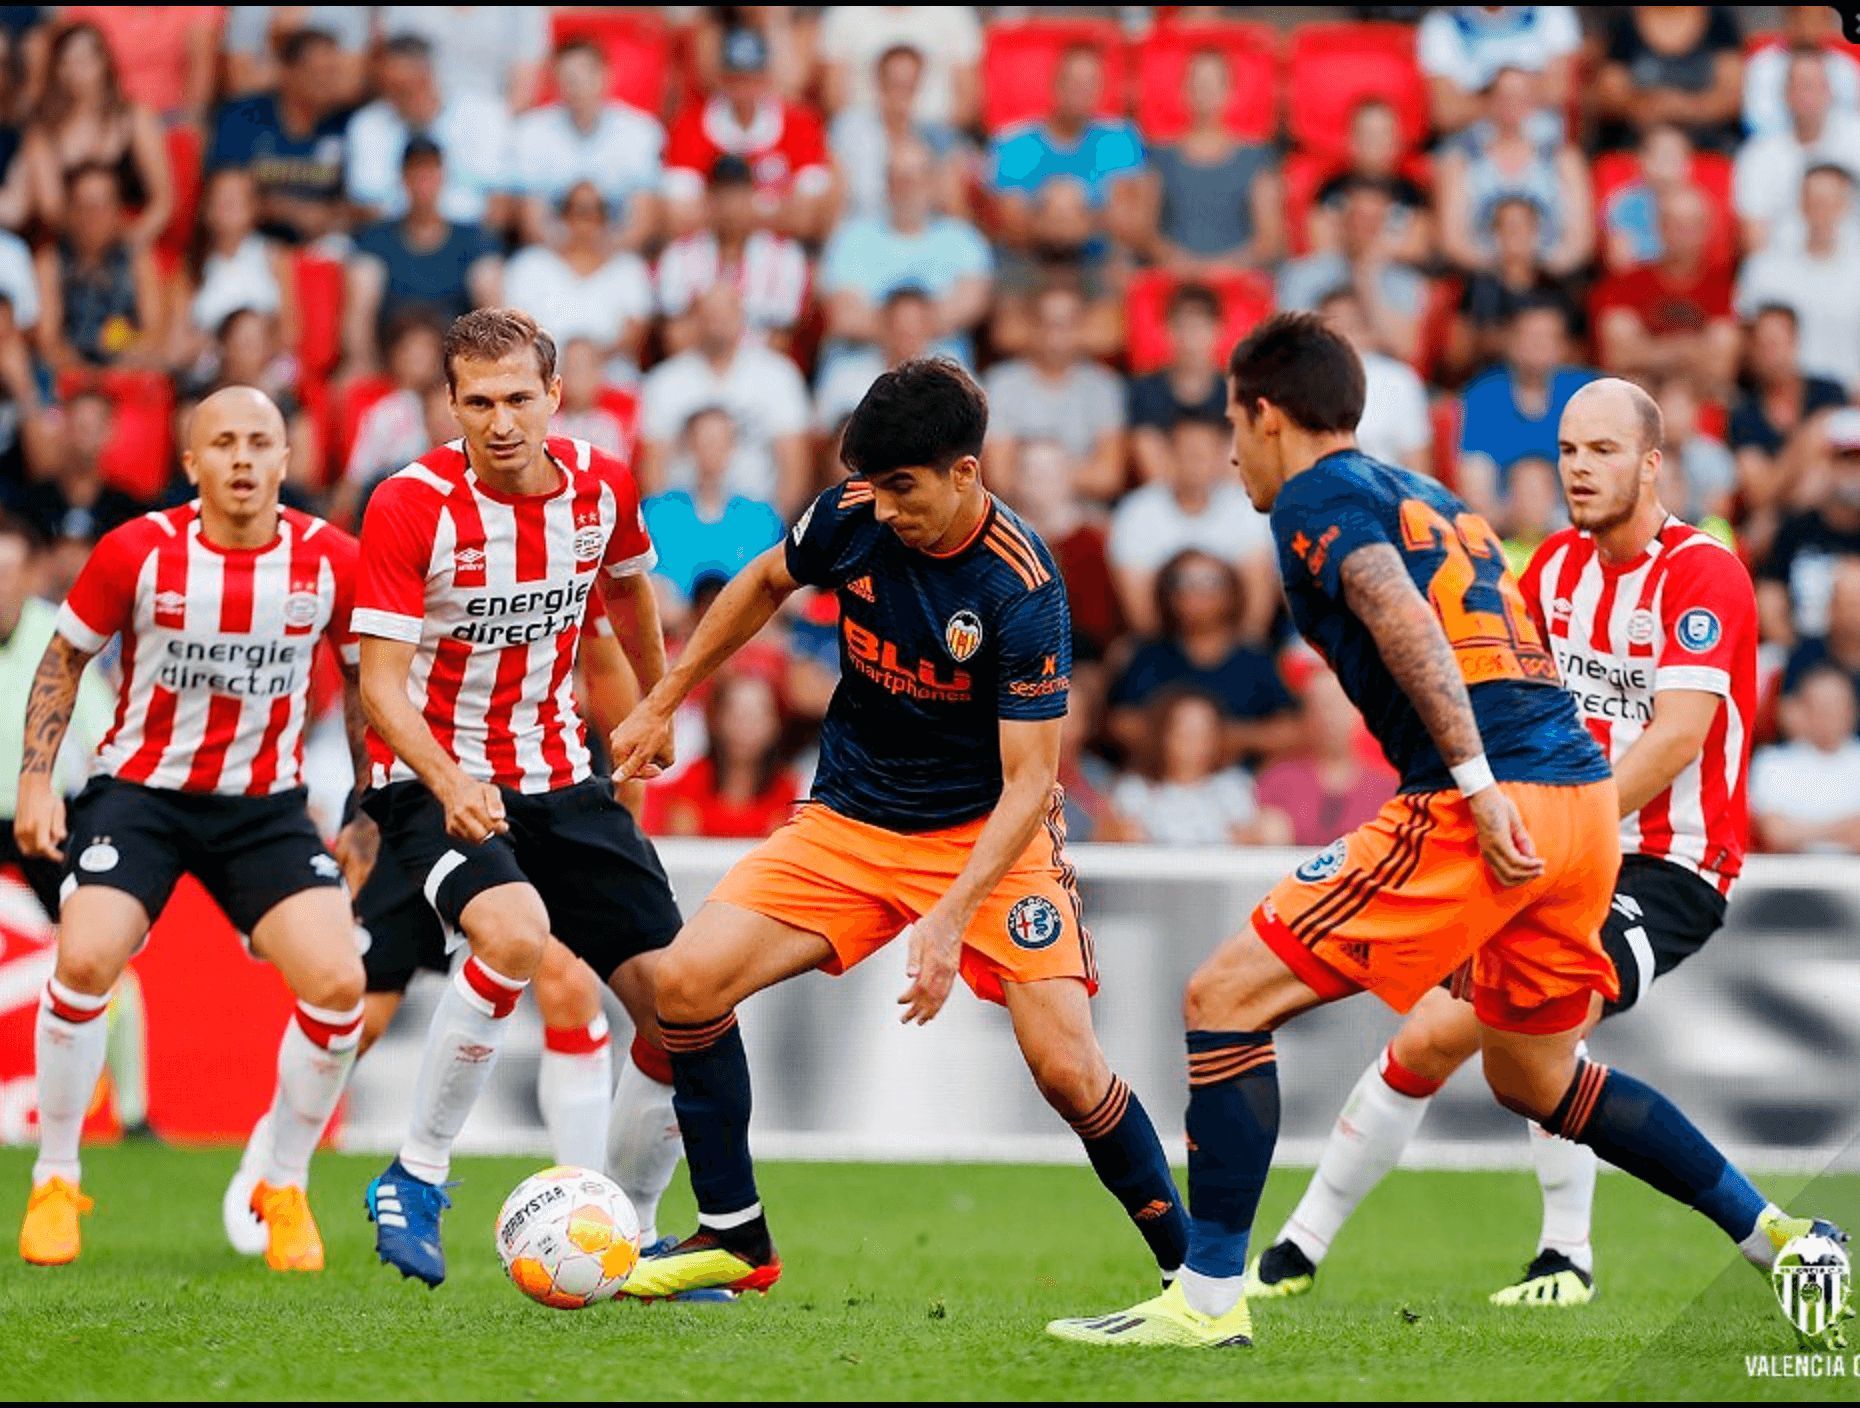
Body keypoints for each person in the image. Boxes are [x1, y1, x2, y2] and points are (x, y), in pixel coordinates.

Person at [1048, 316, 1843, 1349]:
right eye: (1568, 449)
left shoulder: (1317, 498)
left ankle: (1208, 1296)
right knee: (1532, 1075)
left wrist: (1474, 784)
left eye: (1232, 423)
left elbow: (1405, 619)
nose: (1231, 449)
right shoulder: (1429, 496)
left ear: (1266, 414)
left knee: (1225, 997)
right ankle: (1772, 1238)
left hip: (1553, 821)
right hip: (1574, 814)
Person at [609, 359, 1191, 1302]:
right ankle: (734, 1235)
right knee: (684, 984)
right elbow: (764, 582)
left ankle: (1194, 1277)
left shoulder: (1022, 587)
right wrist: (665, 696)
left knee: (1068, 1068)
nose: (881, 510)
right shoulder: (853, 511)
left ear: (966, 472)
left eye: (903, 488)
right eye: (872, 486)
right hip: (849, 821)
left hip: (985, 839)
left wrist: (951, 915)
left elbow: (1031, 782)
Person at [1247, 373, 1766, 1310]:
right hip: (1553, 842)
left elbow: (1679, 736)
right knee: (1434, 1036)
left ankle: (1573, 1254)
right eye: (1568, 449)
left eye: (1603, 451)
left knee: (1530, 1026)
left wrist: (1558, 828)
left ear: (1653, 465)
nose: (1578, 468)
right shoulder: (1548, 570)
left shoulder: (1704, 572)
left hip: (1667, 860)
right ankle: (1298, 1248)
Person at [350, 308, 689, 1289]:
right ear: (450, 404)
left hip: (558, 770)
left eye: (518, 398)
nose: (501, 422)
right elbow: (379, 686)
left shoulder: (602, 488)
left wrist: (658, 703)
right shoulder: (409, 504)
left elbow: (628, 596)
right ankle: (413, 1175)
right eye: (479, 402)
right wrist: (452, 782)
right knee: (514, 933)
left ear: (555, 395)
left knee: (681, 1008)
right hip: (429, 775)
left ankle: (631, 1232)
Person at [15, 386, 370, 1273]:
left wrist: (366, 812)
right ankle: (56, 1177)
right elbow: (63, 657)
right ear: (192, 465)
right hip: (142, 795)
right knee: (87, 956)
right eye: (224, 443)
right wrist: (34, 781)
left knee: (338, 983)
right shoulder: (138, 551)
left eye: (261, 442)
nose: (243, 459)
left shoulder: (332, 561)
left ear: (287, 461)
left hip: (265, 808)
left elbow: (370, 686)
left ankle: (281, 1183)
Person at [223, 596, 649, 1257]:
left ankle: (588, 1208)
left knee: (567, 980)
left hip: (536, 784)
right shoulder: (431, 528)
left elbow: (602, 656)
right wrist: (365, 814)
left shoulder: (567, 530)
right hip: (420, 788)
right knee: (360, 1015)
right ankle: (275, 1160)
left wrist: (624, 801)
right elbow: (373, 677)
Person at [0, 515, 112, 921]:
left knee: (77, 921)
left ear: (32, 576)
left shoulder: (60, 634)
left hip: (44, 814)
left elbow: (102, 729)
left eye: (7, 573)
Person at [1105, 549, 1297, 767]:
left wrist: (1234, 738)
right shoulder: (1148, 656)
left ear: (1232, 592)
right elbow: (1120, 723)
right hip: (1158, 784)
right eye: (1181, 582)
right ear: (1166, 593)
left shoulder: (1256, 659)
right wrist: (1181, 741)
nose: (1195, 592)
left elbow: (1291, 728)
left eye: (1210, 581)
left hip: (1241, 783)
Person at [638, 283, 811, 518]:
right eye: (709, 314)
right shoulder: (665, 380)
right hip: (680, 522)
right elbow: (653, 467)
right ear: (694, 320)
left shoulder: (778, 374)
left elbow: (794, 467)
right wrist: (665, 527)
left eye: (726, 313)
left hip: (758, 520)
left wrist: (775, 533)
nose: (718, 322)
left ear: (742, 318)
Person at [819, 136, 992, 367]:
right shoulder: (851, 238)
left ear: (931, 183)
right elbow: (844, 316)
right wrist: (917, 327)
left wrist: (890, 326)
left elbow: (971, 305)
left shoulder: (963, 239)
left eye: (914, 179)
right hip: (862, 362)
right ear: (886, 184)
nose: (906, 189)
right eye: (898, 179)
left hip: (942, 364)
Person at [1107, 414, 1277, 640]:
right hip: (1163, 648)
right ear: (1168, 457)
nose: (1195, 464)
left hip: (1234, 647)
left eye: (1204, 455)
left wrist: (1236, 658)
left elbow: (1257, 608)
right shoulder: (1137, 512)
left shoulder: (1247, 508)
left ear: (1222, 459)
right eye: (1186, 454)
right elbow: (1141, 614)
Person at [342, 138, 502, 377]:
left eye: (431, 173)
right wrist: (365, 364)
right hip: (391, 361)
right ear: (403, 179)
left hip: (455, 363)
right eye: (417, 174)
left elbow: (493, 310)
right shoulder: (375, 241)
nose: (424, 183)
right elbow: (358, 315)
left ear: (443, 178)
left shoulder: (473, 240)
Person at [663, 27, 834, 244]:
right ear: (721, 80)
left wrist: (725, 208)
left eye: (752, 79)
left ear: (766, 79)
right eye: (735, 79)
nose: (744, 90)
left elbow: (806, 218)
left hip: (780, 251)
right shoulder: (689, 125)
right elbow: (680, 217)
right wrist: (771, 208)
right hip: (708, 249)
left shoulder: (800, 124)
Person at [21, 21, 171, 246]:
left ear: (103, 62)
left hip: (135, 240)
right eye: (66, 61)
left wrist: (130, 243)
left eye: (84, 59)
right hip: (69, 248)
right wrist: (93, 239)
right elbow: (51, 210)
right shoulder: (43, 131)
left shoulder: (136, 118)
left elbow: (163, 201)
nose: (76, 70)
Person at [1435, 67, 1592, 279]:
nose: (1512, 104)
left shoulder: (1563, 159)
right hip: (1482, 279)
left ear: (1533, 102)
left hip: (1548, 280)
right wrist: (1506, 271)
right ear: (1489, 101)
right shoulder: (1461, 161)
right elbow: (1453, 241)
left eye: (1521, 96)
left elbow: (1579, 240)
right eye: (1504, 96)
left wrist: (1535, 272)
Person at [510, 39, 665, 253]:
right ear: (556, 83)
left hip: (617, 254)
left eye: (587, 77)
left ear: (607, 76)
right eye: (569, 79)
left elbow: (643, 222)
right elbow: (532, 223)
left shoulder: (641, 131)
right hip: (552, 255)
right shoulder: (532, 132)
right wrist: (574, 258)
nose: (578, 87)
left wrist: (600, 257)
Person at [343, 34, 511, 228]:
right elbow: (367, 203)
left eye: (403, 87)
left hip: (470, 237)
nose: (394, 98)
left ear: (428, 77)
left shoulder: (483, 114)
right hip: (394, 239)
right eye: (387, 88)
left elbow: (498, 203)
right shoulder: (368, 124)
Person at [982, 283, 1127, 505]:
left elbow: (1109, 477)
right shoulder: (1001, 383)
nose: (1055, 335)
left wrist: (1040, 473)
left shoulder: (1104, 386)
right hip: (1020, 514)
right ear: (1032, 326)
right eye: (1047, 323)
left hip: (1084, 515)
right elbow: (1000, 477)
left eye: (1066, 324)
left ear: (1081, 328)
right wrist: (1072, 473)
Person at [205, 25, 352, 246]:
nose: (328, 83)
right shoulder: (245, 117)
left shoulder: (346, 124)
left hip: (326, 245)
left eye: (333, 72)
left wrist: (331, 217)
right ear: (288, 72)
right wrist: (291, 211)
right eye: (318, 73)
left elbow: (364, 202)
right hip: (250, 243)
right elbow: (225, 191)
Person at [1592, 185, 1740, 398]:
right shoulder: (1626, 283)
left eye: (1693, 226)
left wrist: (1650, 351)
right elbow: (1618, 356)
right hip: (1641, 393)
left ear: (1708, 230)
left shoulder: (1723, 287)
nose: (1685, 235)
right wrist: (1687, 351)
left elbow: (1722, 365)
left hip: (1699, 399)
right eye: (1676, 225)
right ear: (1660, 228)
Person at [1457, 297, 1595, 523]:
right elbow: (1476, 487)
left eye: (1547, 338)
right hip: (1506, 517)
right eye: (1529, 336)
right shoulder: (1485, 394)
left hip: (1574, 515)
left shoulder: (1586, 392)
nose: (1538, 345)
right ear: (1510, 341)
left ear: (1564, 346)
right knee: (1530, 480)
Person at [1146, 48, 1282, 274]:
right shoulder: (1160, 155)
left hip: (1237, 279)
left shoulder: (1257, 157)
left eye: (1212, 84)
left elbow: (1270, 237)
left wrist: (1226, 267)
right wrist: (1177, 261)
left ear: (1229, 92)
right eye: (1197, 83)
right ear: (1183, 90)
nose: (1205, 92)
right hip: (1174, 276)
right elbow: (1146, 230)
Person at [656, 155, 809, 356]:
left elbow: (782, 338)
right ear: (709, 199)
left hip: (759, 366)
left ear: (753, 196)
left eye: (738, 195)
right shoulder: (680, 254)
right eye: (723, 196)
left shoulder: (784, 255)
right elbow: (675, 336)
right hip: (697, 365)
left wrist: (737, 368)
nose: (731, 207)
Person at [502, 182, 652, 378]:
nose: (587, 220)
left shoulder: (628, 268)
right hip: (542, 379)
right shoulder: (530, 264)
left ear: (606, 218)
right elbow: (515, 328)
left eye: (595, 211)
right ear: (563, 215)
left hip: (610, 379)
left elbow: (636, 332)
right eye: (578, 210)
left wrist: (585, 365)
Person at [1735, 164, 1860, 394]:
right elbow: (1746, 343)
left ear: (1846, 205)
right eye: (1814, 200)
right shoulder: (1764, 268)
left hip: (1849, 400)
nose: (1821, 209)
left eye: (1829, 201)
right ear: (1801, 203)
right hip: (1776, 398)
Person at [643, 406, 785, 608]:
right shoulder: (656, 513)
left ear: (734, 446)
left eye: (722, 441)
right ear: (688, 445)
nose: (712, 449)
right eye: (704, 440)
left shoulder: (762, 519)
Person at [1111, 687, 1284, 847]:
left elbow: (1253, 836)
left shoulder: (1234, 787)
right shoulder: (1134, 790)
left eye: (1204, 732)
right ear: (1163, 735)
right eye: (1186, 731)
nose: (1195, 741)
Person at [33, 163, 162, 371]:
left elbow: (154, 330)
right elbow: (47, 339)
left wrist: (120, 367)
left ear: (118, 210)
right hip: (69, 375)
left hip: (128, 369)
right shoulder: (50, 260)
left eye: (102, 205)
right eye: (84, 205)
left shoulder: (137, 257)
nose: (93, 216)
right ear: (68, 211)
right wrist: (84, 374)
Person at [1732, 47, 1860, 254]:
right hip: (1782, 270)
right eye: (1800, 86)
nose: (1807, 95)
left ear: (1830, 92)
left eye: (1814, 86)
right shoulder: (1757, 155)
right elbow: (1753, 236)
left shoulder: (1857, 140)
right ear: (1785, 94)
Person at [1253, 667, 1397, 849]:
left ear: (1359, 713)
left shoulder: (1387, 790)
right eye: (1320, 706)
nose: (1330, 716)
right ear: (1306, 715)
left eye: (1340, 705)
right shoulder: (1278, 780)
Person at [644, 672, 798, 839]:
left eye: (757, 716)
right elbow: (682, 847)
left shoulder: (790, 789)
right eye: (736, 715)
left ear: (776, 723)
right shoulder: (692, 781)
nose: (746, 727)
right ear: (716, 720)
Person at [170, 166, 296, 369]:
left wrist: (252, 350)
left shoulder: (273, 257)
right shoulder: (191, 266)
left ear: (255, 207)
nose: (228, 206)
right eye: (221, 199)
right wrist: (222, 349)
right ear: (206, 209)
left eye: (236, 198)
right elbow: (177, 344)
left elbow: (289, 332)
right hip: (212, 370)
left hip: (264, 367)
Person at [827, 41, 966, 225]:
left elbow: (952, 206)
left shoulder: (936, 138)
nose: (902, 95)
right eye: (895, 84)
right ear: (879, 83)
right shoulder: (849, 131)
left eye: (909, 85)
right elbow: (835, 201)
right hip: (862, 234)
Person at [1757, 409, 1860, 647]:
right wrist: (1798, 655)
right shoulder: (1797, 527)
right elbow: (1770, 598)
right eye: (1846, 460)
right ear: (1828, 462)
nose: (1855, 472)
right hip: (1800, 648)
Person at [1595, 6, 1745, 155]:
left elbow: (1733, 96)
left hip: (1711, 146)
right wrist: (1650, 108)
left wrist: (1687, 109)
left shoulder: (1719, 20)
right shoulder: (1624, 22)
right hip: (1635, 146)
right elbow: (1609, 96)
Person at [1318, 286, 1431, 476]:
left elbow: (1418, 469)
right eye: (1334, 329)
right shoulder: (1299, 383)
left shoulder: (1399, 380)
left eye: (1351, 326)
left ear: (1369, 330)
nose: (1344, 337)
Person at [1417, 6, 1581, 135]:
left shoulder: (1551, 12)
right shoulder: (1441, 24)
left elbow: (1558, 90)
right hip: (1471, 152)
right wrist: (1514, 92)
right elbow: (1446, 112)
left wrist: (1482, 98)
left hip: (1543, 145)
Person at [1750, 665, 1860, 853]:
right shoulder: (1771, 762)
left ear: (1852, 711)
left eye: (1837, 707)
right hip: (1785, 877)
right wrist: (1843, 828)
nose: (1829, 716)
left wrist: (1801, 830)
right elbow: (1775, 833)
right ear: (1800, 710)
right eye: (1820, 707)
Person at [1127, 283, 1228, 485]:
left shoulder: (1239, 393)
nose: (1191, 340)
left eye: (1200, 328)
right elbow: (1154, 472)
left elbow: (1235, 471)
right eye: (1183, 327)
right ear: (1167, 330)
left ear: (1218, 330)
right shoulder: (1144, 391)